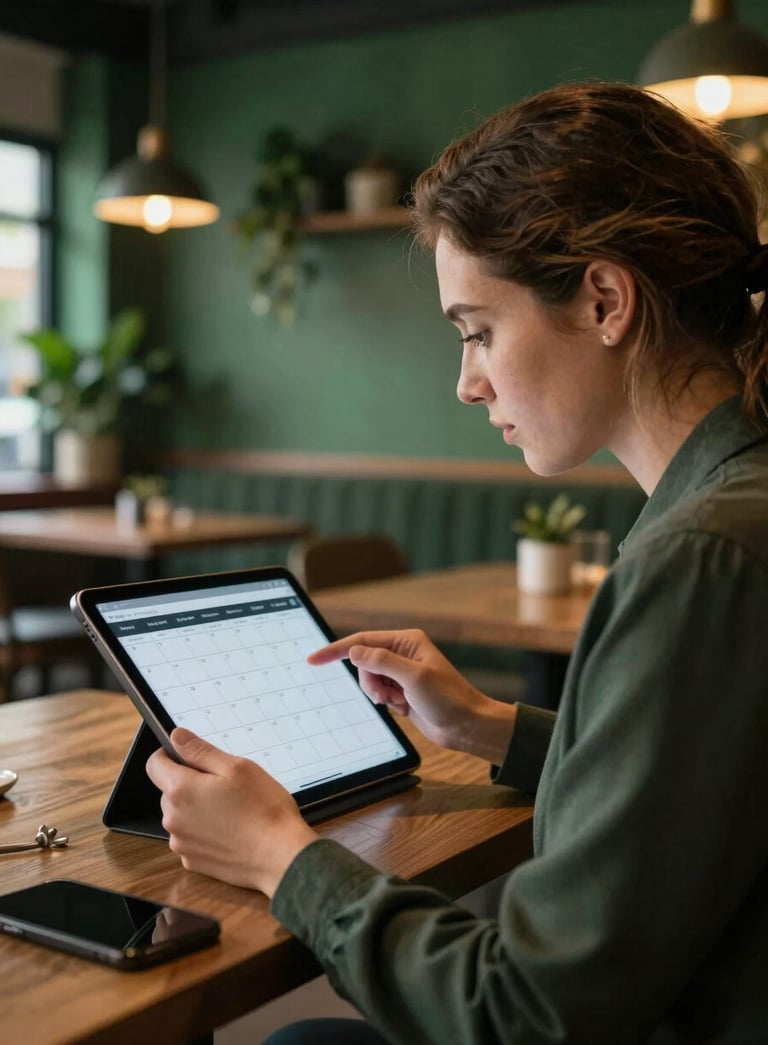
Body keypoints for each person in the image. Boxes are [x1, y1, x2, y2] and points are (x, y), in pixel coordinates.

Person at [146, 82, 768, 1044]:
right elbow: (703, 776)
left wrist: (280, 854)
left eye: (477, 330)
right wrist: (488, 726)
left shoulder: (699, 557)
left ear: (605, 299)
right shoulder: (732, 502)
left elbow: (526, 1011)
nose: (468, 382)